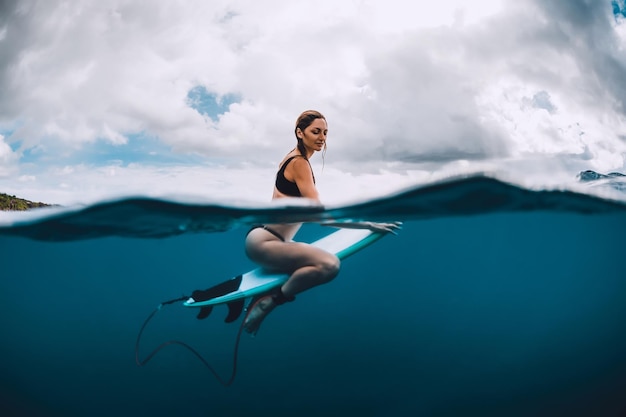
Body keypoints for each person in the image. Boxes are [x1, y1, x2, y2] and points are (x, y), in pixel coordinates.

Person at [243, 110, 399, 335]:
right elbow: (321, 217)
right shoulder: (299, 163)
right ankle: (271, 303)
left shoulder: (293, 157)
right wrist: (367, 224)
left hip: (268, 239)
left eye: (325, 133)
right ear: (300, 132)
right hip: (266, 243)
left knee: (308, 264)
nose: (322, 138)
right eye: (315, 132)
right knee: (329, 265)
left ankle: (259, 298)